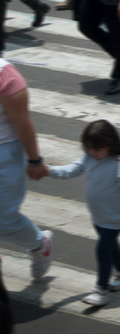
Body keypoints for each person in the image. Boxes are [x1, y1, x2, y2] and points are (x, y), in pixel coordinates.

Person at [43, 120, 120, 306]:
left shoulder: (119, 162)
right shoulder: (88, 158)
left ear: (111, 144)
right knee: (110, 246)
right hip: (98, 215)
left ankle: (101, 290)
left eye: (97, 149)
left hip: (113, 217)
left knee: (103, 249)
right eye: (89, 148)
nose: (93, 152)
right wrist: (49, 170)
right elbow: (71, 169)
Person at [0, 59, 55, 285]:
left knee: (4, 220)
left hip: (5, 154)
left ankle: (39, 244)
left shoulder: (5, 73)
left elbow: (22, 120)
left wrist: (35, 160)